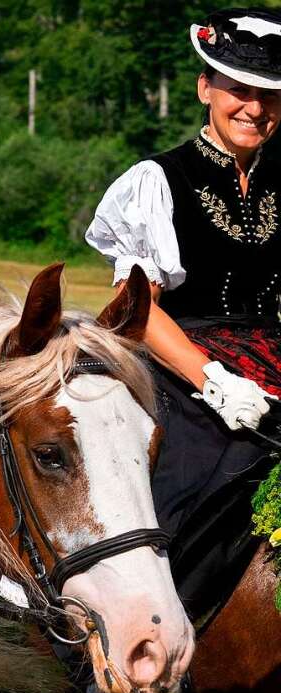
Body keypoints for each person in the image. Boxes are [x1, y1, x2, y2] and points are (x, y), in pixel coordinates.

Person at [86, 7, 281, 623]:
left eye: (271, 96)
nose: (254, 108)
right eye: (239, 91)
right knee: (179, 508)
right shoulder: (159, 181)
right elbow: (139, 313)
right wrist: (214, 381)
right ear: (205, 89)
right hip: (185, 374)